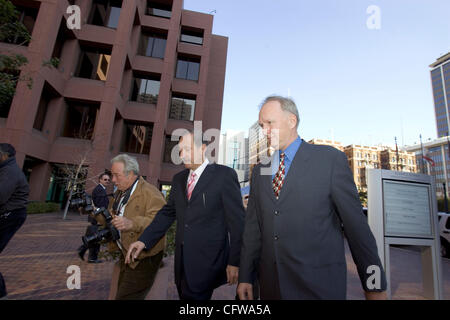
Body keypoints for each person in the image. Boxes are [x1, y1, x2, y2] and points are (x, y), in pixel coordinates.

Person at [237, 96, 387, 300]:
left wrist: (375, 286)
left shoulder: (330, 160)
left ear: (292, 121)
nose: (265, 131)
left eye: (270, 123)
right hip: (271, 288)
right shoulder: (261, 170)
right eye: (262, 125)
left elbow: (357, 230)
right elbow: (253, 227)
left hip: (319, 287)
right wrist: (245, 276)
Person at [126, 130, 245, 300]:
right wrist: (144, 240)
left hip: (208, 263)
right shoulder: (178, 179)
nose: (183, 155)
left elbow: (238, 223)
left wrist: (235, 261)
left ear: (203, 148)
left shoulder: (224, 176)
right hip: (182, 264)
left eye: (188, 149)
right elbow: (167, 214)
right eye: (180, 151)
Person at [97, 154, 166, 300]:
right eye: (111, 175)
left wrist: (132, 223)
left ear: (131, 174)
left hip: (144, 257)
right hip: (126, 253)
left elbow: (161, 221)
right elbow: (112, 215)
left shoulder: (150, 192)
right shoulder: (120, 192)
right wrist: (95, 212)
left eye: (116, 175)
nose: (113, 180)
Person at [0, 143, 29, 299]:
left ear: (5, 155)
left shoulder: (10, 172)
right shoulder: (6, 169)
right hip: (10, 215)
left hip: (11, 216)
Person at [77, 173, 111, 263]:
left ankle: (83, 250)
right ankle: (91, 257)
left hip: (97, 217)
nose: (107, 181)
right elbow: (100, 205)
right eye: (105, 179)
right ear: (100, 180)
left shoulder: (101, 189)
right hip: (98, 217)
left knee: (94, 237)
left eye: (108, 180)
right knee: (96, 237)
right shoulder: (100, 190)